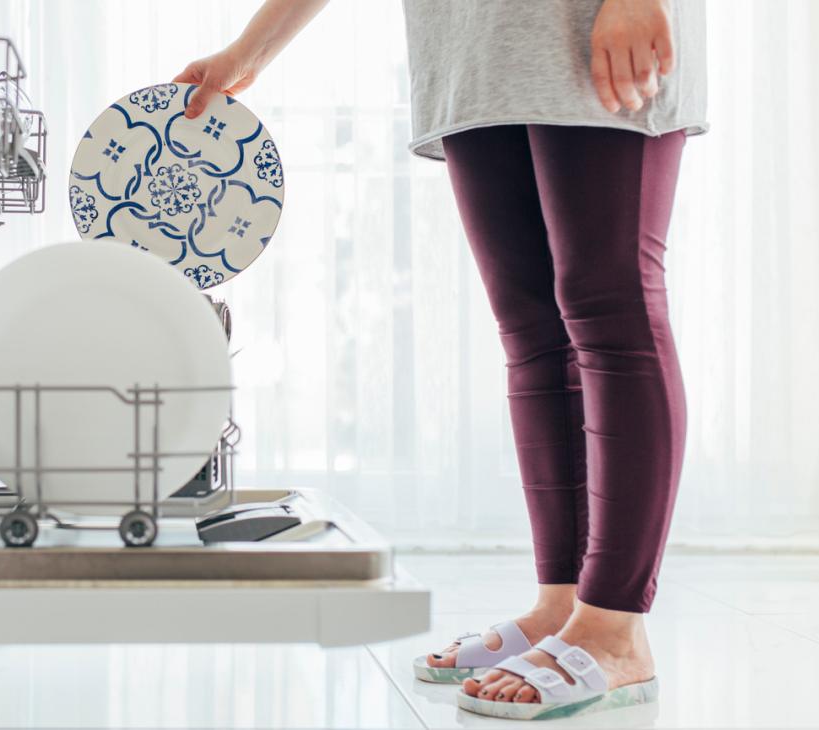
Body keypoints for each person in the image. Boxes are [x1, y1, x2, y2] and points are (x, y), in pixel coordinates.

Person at [175, 0, 706, 719]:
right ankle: (560, 606)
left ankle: (614, 630)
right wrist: (250, 51)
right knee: (531, 330)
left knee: (610, 308)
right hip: (469, 43)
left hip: (587, 18)